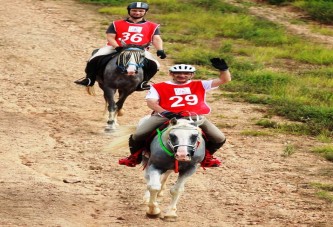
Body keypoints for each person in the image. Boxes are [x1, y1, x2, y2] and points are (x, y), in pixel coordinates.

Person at [119, 58, 232, 167]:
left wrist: (224, 70)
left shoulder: (201, 84)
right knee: (138, 134)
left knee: (219, 137)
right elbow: (151, 102)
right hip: (166, 116)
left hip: (194, 117)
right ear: (171, 74)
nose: (182, 75)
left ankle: (207, 156)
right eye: (178, 73)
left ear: (192, 75)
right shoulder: (159, 87)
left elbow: (224, 80)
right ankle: (134, 157)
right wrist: (165, 112)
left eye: (186, 73)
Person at [74, 2, 166, 90]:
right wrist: (117, 47)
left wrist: (160, 49)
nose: (137, 13)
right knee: (94, 57)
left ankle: (143, 82)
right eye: (134, 10)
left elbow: (156, 39)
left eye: (141, 11)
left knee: (155, 64)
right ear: (129, 11)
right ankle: (90, 79)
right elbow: (110, 37)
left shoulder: (153, 26)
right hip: (116, 47)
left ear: (145, 12)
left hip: (139, 50)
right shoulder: (116, 23)